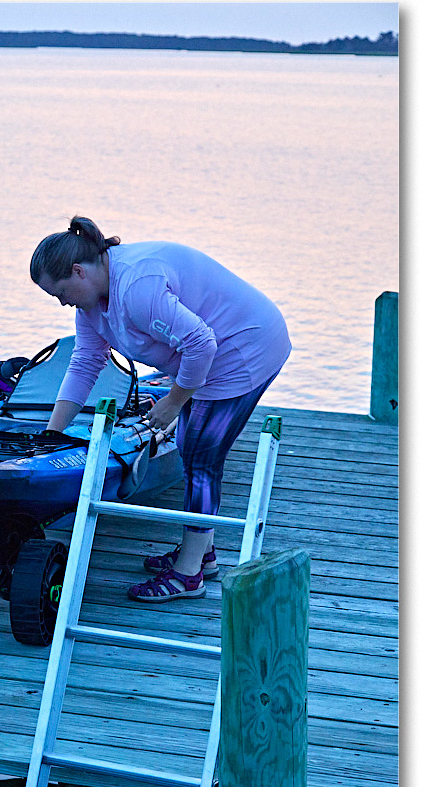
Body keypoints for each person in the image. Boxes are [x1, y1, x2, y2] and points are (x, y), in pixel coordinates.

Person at [30, 216, 291, 602]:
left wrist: (173, 401)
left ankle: (188, 576)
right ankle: (203, 552)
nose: (62, 301)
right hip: (211, 355)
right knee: (192, 451)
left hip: (245, 348)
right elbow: (85, 363)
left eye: (60, 292)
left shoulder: (137, 287)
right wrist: (52, 434)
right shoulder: (90, 307)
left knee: (200, 458)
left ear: (78, 272)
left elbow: (201, 344)